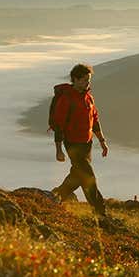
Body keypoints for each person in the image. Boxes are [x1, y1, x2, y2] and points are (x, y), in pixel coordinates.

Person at [50, 63, 111, 222]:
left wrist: (102, 142)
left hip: (87, 144)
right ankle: (100, 212)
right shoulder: (66, 99)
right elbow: (59, 126)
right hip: (73, 144)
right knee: (88, 177)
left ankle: (55, 197)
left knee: (78, 176)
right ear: (75, 80)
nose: (87, 83)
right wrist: (59, 150)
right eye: (84, 80)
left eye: (88, 80)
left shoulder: (89, 97)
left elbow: (95, 121)